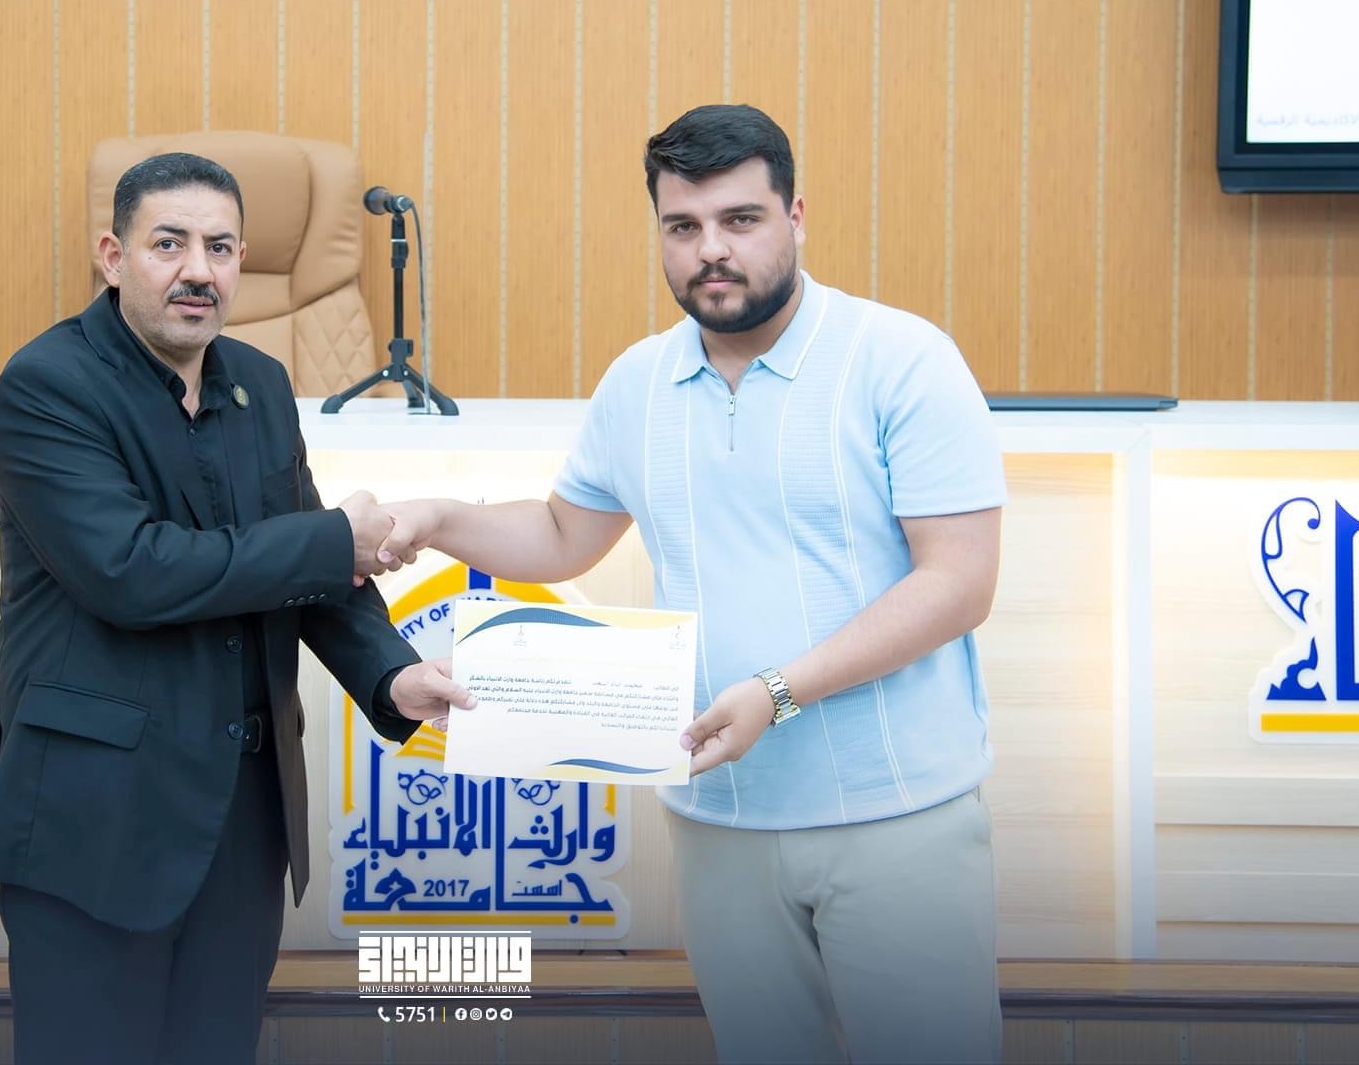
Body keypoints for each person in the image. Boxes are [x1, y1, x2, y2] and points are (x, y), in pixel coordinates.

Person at [376, 105, 1007, 1064]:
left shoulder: (902, 359)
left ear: (796, 216)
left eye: (740, 220)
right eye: (683, 226)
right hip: (718, 818)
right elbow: (563, 535)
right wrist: (437, 517)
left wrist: (777, 692)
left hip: (897, 817)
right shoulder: (638, 380)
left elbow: (958, 583)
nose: (711, 249)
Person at [0, 152, 472, 1064]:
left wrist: (392, 676)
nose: (199, 270)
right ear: (113, 256)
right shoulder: (49, 385)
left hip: (241, 821)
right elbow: (130, 571)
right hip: (96, 819)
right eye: (170, 244)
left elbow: (306, 573)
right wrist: (332, 540)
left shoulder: (260, 385)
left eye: (222, 248)